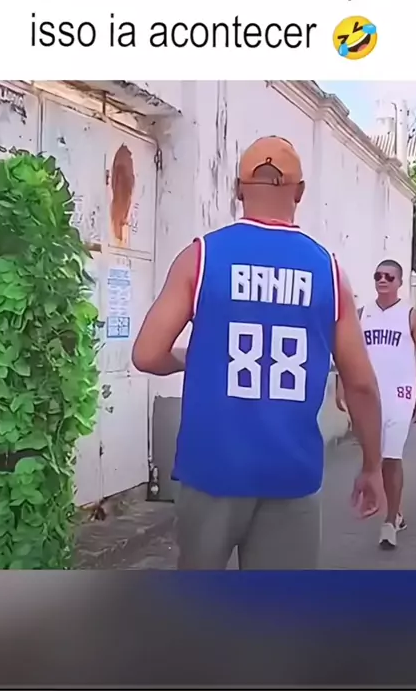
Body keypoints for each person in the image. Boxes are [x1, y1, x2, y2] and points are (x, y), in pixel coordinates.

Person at [132, 136, 383, 570]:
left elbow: (147, 354)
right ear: (299, 192)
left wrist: (188, 358)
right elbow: (360, 384)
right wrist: (373, 466)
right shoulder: (328, 270)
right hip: (290, 473)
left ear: (237, 189)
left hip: (211, 469)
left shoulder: (201, 257)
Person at [336, 260, 416, 550]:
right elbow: (346, 353)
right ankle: (395, 511)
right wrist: (342, 386)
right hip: (371, 397)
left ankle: (390, 521)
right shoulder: (362, 314)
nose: (383, 280)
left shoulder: (411, 316)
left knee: (392, 457)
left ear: (399, 282)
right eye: (378, 275)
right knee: (373, 456)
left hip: (401, 394)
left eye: (389, 276)